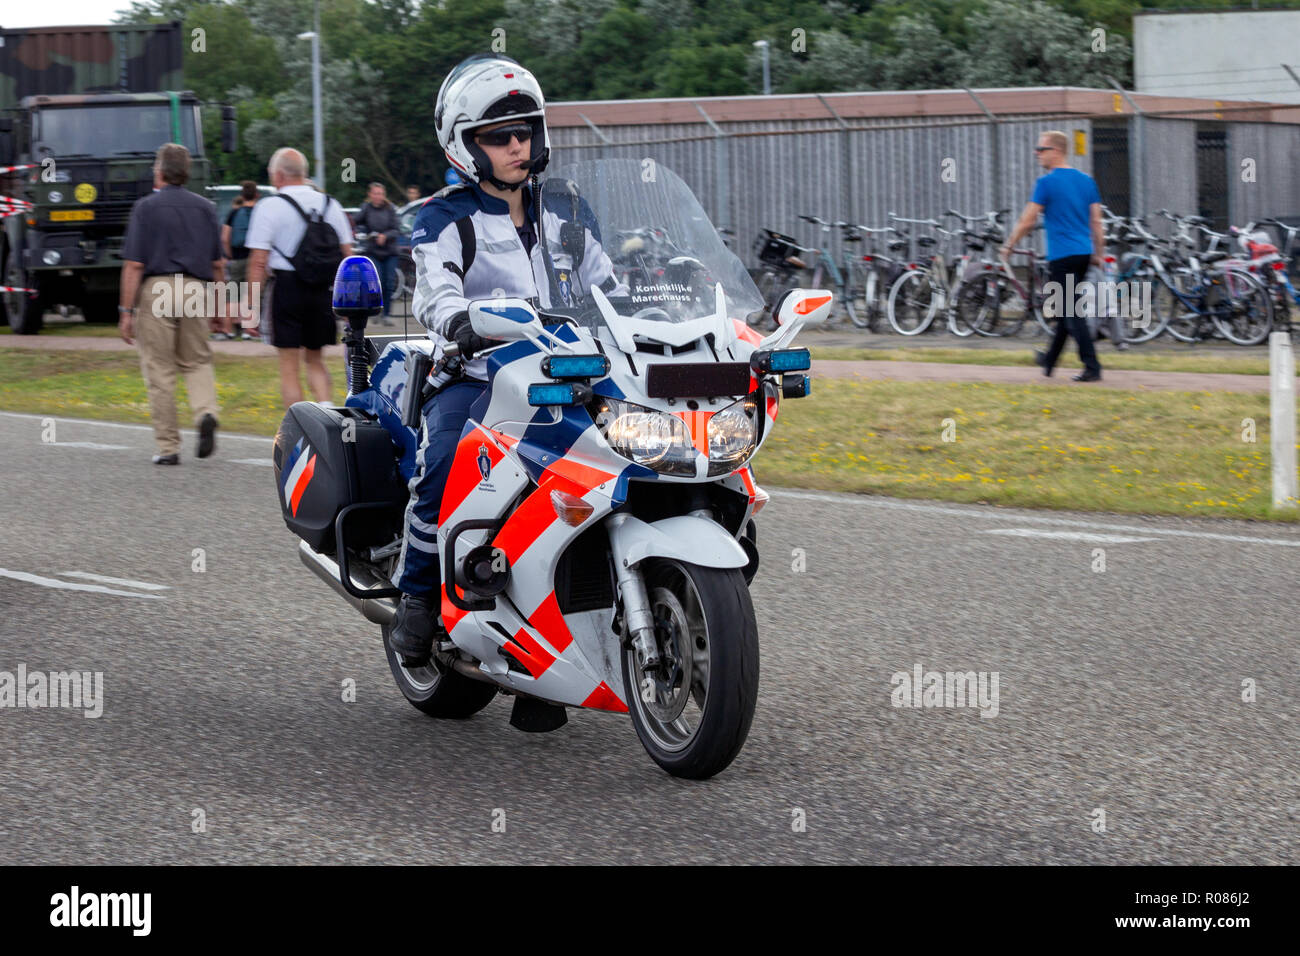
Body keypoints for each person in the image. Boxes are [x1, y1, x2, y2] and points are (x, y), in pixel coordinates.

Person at [386, 53, 621, 667]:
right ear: (467, 146)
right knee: (442, 465)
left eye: (526, 131)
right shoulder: (444, 217)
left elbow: (607, 286)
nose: (518, 145)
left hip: (572, 375)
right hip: (477, 376)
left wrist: (658, 293)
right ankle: (415, 598)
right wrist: (461, 321)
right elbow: (435, 292)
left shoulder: (566, 209)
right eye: (499, 137)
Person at [117, 143, 222, 465]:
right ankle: (205, 412)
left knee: (160, 370)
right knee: (197, 361)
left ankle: (168, 447)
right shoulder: (206, 208)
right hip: (195, 288)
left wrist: (126, 311)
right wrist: (221, 307)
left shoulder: (145, 208)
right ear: (186, 172)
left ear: (159, 172)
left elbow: (134, 264)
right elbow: (218, 264)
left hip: (157, 288)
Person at [243, 147, 353, 407]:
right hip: (323, 290)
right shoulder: (331, 204)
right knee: (315, 359)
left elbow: (258, 261)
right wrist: (348, 302)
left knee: (289, 365)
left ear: (279, 175)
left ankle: (299, 432)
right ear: (303, 173)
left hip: (287, 288)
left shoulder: (269, 206)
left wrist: (250, 308)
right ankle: (326, 415)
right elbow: (348, 256)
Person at [1001, 130, 1106, 382]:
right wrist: (1098, 253)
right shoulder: (1086, 181)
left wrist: (1010, 244)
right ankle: (1049, 360)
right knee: (1065, 309)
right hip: (1083, 253)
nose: (1037, 154)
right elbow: (1097, 222)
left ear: (1056, 151)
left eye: (1041, 149)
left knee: (1070, 310)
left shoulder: (1046, 183)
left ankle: (1092, 367)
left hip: (1062, 255)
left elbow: (1028, 220)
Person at [221, 180, 261, 339]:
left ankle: (229, 330)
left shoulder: (233, 213)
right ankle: (248, 330)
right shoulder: (260, 212)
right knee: (251, 293)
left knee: (233, 293)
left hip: (236, 257)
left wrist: (229, 254)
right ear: (257, 195)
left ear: (242, 195)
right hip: (254, 258)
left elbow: (225, 237)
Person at [354, 182, 401, 318]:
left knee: (388, 282)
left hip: (390, 252)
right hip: (373, 251)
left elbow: (396, 230)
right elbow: (355, 221)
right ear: (370, 195)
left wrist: (385, 236)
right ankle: (375, 310)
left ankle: (387, 313)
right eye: (375, 193)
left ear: (384, 195)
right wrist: (359, 231)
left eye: (380, 193)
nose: (377, 196)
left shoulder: (390, 209)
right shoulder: (366, 208)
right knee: (376, 282)